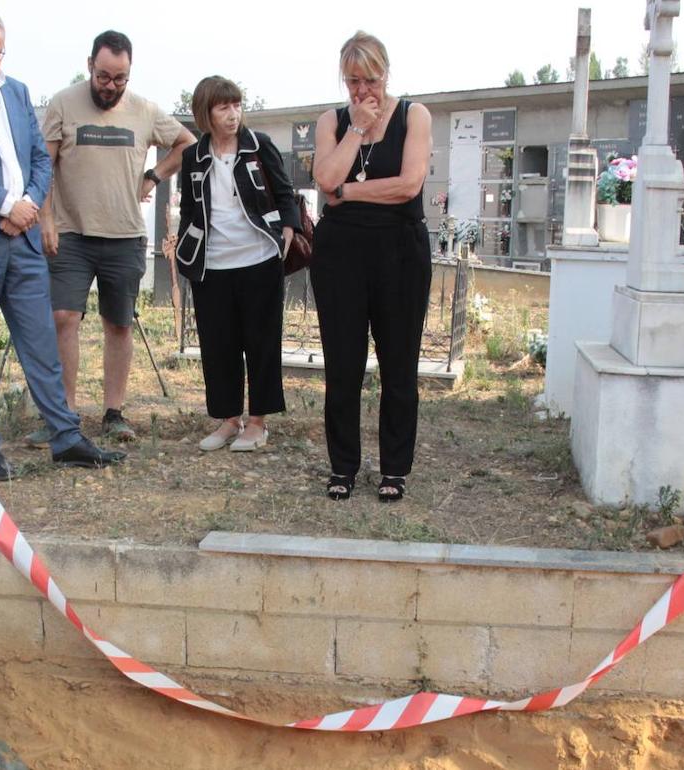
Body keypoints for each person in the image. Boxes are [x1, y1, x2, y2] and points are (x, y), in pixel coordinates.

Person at [0, 8, 125, 479]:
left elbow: (39, 157)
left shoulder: (18, 92)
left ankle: (65, 436)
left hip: (24, 238)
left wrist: (28, 204)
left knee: (41, 343)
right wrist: (5, 206)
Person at [32, 30, 196, 447]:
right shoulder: (63, 104)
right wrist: (45, 218)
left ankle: (113, 412)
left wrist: (155, 175)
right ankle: (63, 415)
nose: (110, 86)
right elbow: (43, 165)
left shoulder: (145, 111)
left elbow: (187, 143)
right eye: (104, 76)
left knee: (118, 324)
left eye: (120, 79)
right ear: (90, 65)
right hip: (70, 233)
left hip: (124, 236)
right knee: (62, 319)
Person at [310, 31, 433, 502]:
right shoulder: (332, 122)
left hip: (400, 250)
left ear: (387, 74)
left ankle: (394, 469)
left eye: (371, 79)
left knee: (398, 363)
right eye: (353, 81)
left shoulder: (413, 116)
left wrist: (348, 193)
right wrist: (357, 130)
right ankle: (343, 466)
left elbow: (408, 185)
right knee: (343, 363)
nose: (363, 91)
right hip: (341, 253)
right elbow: (325, 178)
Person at [175, 76, 297, 452]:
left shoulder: (259, 146)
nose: (232, 114)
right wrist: (184, 251)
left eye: (236, 105)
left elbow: (284, 191)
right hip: (212, 265)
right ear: (206, 113)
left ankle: (257, 423)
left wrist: (287, 231)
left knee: (260, 342)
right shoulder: (193, 156)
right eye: (223, 107)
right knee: (218, 345)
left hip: (258, 258)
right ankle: (228, 420)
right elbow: (188, 210)